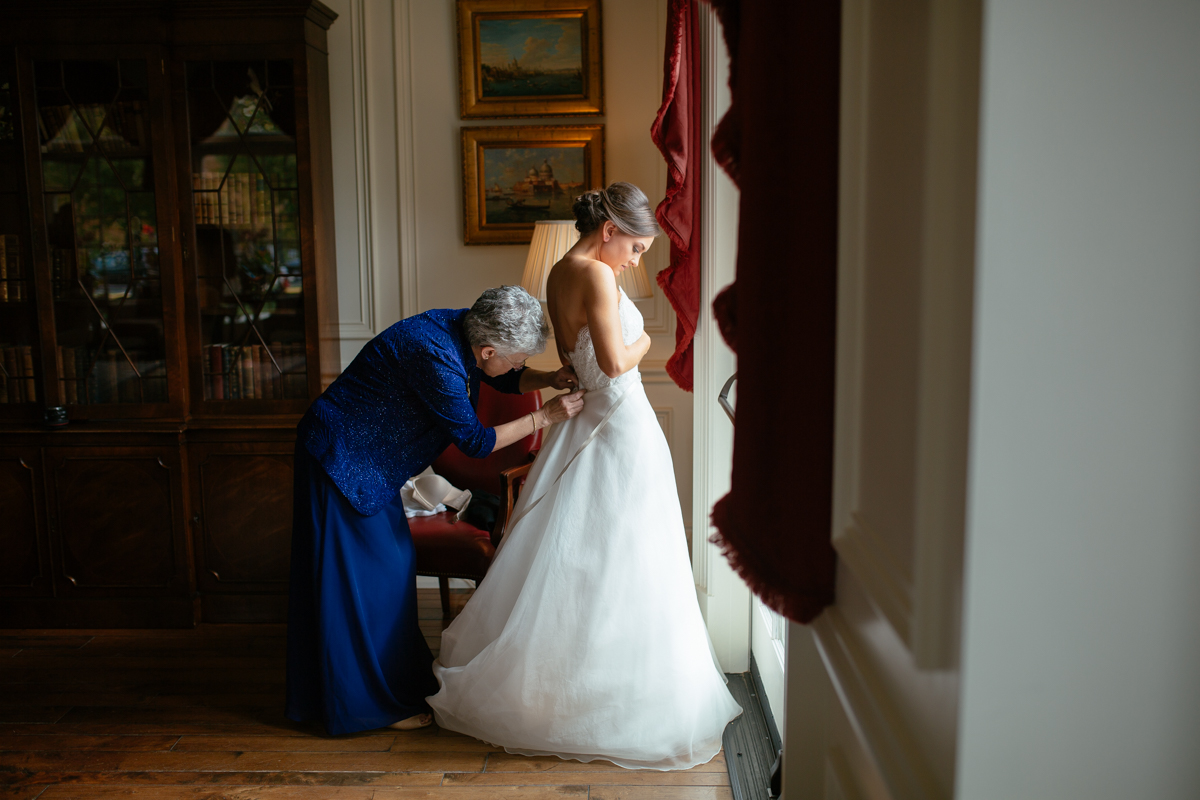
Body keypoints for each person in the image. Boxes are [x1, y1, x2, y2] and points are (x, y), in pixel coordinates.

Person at [427, 183, 742, 770]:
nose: (636, 259)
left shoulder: (557, 272)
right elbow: (619, 360)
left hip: (588, 417)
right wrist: (649, 333)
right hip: (619, 420)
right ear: (610, 231)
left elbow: (577, 361)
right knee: (623, 550)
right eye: (637, 248)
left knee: (582, 549)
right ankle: (608, 693)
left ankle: (570, 681)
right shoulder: (598, 276)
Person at [286, 286, 585, 736]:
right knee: (362, 583)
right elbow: (476, 442)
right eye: (519, 357)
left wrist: (544, 378)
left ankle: (390, 687)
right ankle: (369, 705)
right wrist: (546, 416)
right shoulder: (433, 354)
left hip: (370, 463)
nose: (520, 365)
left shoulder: (463, 325)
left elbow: (501, 376)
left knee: (391, 569)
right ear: (487, 349)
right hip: (339, 459)